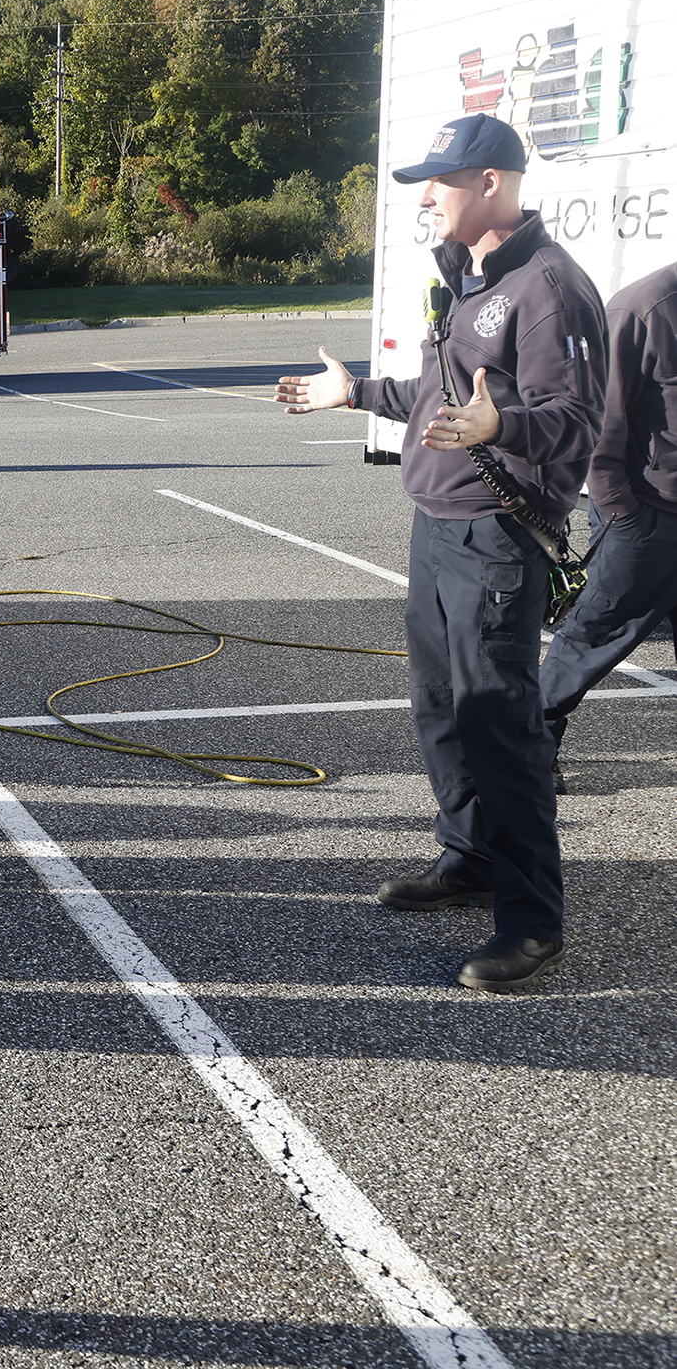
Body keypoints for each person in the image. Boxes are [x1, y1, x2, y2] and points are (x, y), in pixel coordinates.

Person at [276, 113, 606, 993]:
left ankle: (535, 924)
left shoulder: (547, 289)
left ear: (491, 183)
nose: (427, 195)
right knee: (441, 708)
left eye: (441, 180)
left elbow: (580, 418)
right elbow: (442, 391)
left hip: (497, 540)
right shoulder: (470, 276)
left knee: (502, 725)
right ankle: (471, 859)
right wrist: (357, 395)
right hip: (438, 523)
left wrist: (510, 425)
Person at [540, 260, 677, 781]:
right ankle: (533, 746)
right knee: (591, 638)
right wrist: (620, 509)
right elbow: (600, 416)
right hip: (646, 516)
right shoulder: (647, 306)